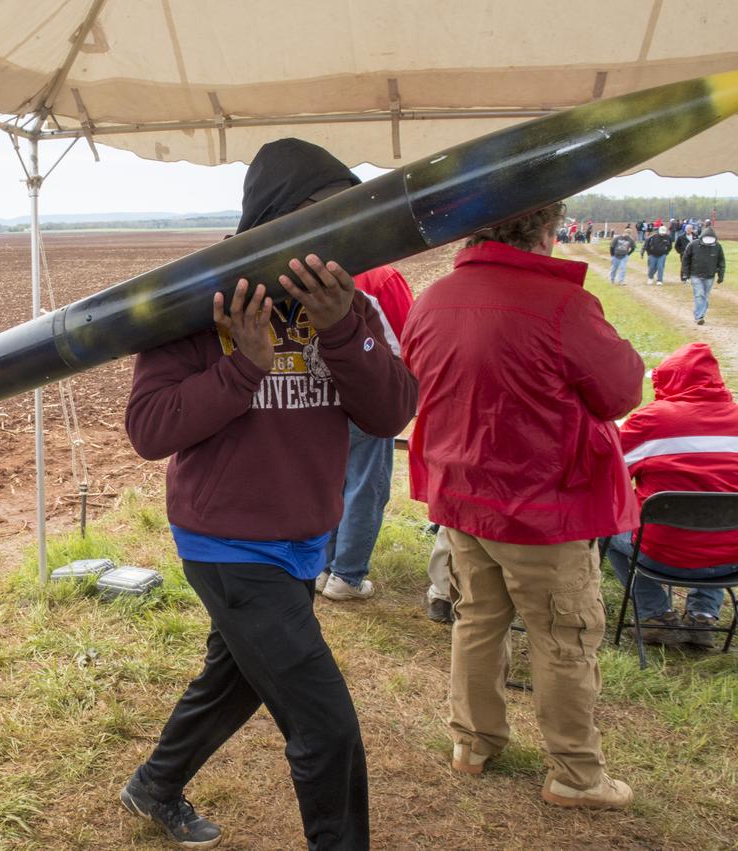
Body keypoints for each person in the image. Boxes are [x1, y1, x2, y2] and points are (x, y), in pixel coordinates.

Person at [119, 139, 417, 849]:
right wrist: (242, 366)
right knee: (325, 726)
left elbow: (388, 413)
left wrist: (343, 326)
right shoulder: (200, 301)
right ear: (278, 219)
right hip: (226, 542)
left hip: (301, 541)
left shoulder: (355, 303)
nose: (338, 236)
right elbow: (149, 428)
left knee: (236, 678)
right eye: (322, 217)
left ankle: (153, 785)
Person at [402, 201, 643, 810]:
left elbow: (416, 379)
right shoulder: (562, 305)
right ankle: (576, 775)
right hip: (541, 505)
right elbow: (620, 392)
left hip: (461, 495)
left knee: (477, 619)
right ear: (544, 229)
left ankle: (473, 743)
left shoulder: (434, 298)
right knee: (564, 636)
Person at [608, 342, 738, 647]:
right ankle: (703, 617)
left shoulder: (652, 420)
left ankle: (655, 616)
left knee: (608, 529)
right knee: (718, 517)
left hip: (662, 555)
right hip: (733, 559)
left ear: (667, 381)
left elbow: (609, 472)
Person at [319, 263, 415, 601]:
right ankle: (347, 574)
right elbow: (407, 335)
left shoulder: (306, 270)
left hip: (320, 396)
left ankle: (323, 565)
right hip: (367, 393)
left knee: (330, 479)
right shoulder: (382, 275)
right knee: (365, 485)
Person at [681, 226, 725, 325]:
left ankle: (700, 313)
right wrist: (685, 274)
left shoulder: (717, 247)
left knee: (705, 296)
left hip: (710, 276)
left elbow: (721, 262)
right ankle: (699, 317)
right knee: (699, 295)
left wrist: (721, 276)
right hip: (695, 275)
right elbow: (686, 260)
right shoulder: (693, 245)